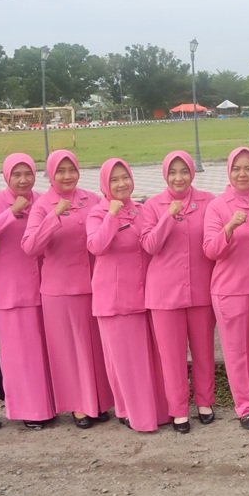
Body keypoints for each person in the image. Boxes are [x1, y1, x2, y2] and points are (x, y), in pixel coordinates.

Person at [22, 150, 113, 429]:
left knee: (94, 348)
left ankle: (97, 401)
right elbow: (30, 247)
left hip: (94, 286)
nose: (67, 176)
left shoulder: (91, 199)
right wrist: (53, 217)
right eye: (60, 171)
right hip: (60, 290)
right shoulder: (42, 205)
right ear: (50, 174)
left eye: (71, 169)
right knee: (69, 350)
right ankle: (78, 406)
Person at [86, 159, 168, 432]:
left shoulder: (142, 210)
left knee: (148, 359)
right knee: (126, 361)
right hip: (115, 299)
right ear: (105, 185)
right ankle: (135, 414)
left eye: (125, 177)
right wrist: (112, 215)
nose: (122, 184)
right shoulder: (98, 213)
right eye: (114, 180)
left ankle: (154, 410)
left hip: (145, 295)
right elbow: (96, 246)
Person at [140, 151, 217, 434]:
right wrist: (167, 218)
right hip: (164, 294)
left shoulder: (208, 201)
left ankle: (205, 402)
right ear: (165, 175)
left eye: (184, 171)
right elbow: (149, 245)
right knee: (171, 356)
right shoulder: (152, 205)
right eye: (172, 172)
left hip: (201, 290)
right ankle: (178, 409)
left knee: (204, 350)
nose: (178, 178)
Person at [203, 148, 249, 430]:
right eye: (237, 169)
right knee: (236, 350)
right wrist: (229, 228)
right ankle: (245, 406)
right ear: (229, 171)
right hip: (230, 290)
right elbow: (210, 250)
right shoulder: (218, 206)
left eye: (248, 168)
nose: (242, 174)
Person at [0, 154, 54, 429]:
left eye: (27, 173)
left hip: (44, 287)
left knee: (44, 352)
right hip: (11, 290)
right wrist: (10, 213)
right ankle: (29, 410)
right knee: (20, 355)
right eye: (16, 174)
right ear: (7, 176)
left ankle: (49, 406)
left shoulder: (42, 199)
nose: (23, 180)